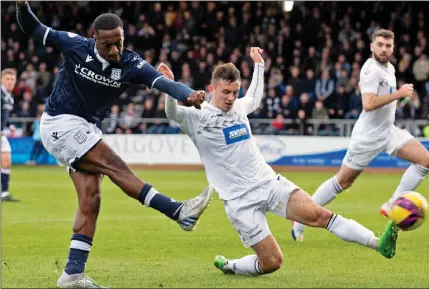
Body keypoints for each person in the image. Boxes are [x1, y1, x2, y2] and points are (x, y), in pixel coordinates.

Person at [16, 1, 214, 287]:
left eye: (119, 42)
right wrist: (22, 4)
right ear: (95, 39)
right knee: (113, 165)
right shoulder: (75, 46)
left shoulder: (131, 64)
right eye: (108, 44)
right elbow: (34, 28)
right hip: (59, 122)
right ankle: (177, 211)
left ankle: (72, 274)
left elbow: (163, 83)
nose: (114, 50)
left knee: (91, 199)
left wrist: (188, 95)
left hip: (86, 128)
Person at [159, 47, 399, 277]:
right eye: (226, 92)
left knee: (320, 215)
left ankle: (378, 243)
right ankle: (231, 265)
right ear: (212, 88)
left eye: (235, 92)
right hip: (239, 202)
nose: (232, 98)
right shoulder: (198, 118)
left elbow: (253, 97)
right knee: (272, 262)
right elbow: (173, 114)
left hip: (268, 183)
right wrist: (169, 87)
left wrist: (259, 65)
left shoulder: (239, 108)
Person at [291, 29, 429, 242]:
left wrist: (396, 98)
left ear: (393, 48)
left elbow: (378, 97)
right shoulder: (372, 69)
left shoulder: (389, 68)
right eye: (380, 44)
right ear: (372, 46)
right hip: (367, 137)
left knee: (425, 160)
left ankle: (393, 204)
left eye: (388, 45)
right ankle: (300, 218)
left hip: (387, 131)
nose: (384, 49)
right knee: (342, 182)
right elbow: (369, 103)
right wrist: (398, 94)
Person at [1, 68, 19, 202]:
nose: (10, 82)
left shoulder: (9, 97)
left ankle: (4, 193)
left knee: (6, 161)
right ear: (2, 80)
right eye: (7, 79)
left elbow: (4, 117)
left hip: (2, 135)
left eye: (12, 79)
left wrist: (9, 126)